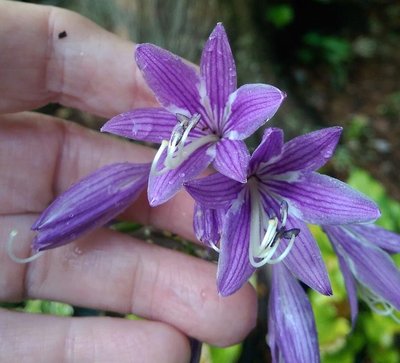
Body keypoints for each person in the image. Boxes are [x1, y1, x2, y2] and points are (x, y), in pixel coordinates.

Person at [0, 1, 256, 362]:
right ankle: (47, 234)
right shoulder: (186, 153)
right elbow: (157, 166)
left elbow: (238, 153)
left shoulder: (231, 153)